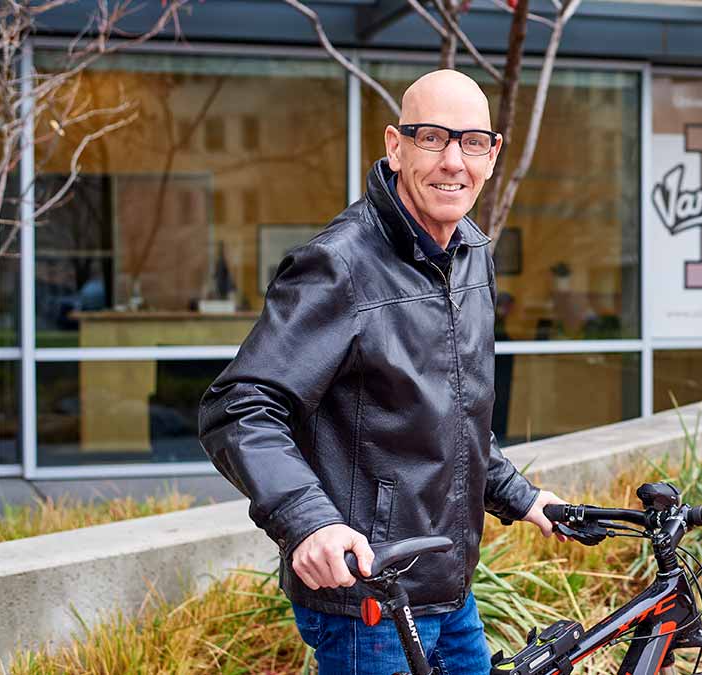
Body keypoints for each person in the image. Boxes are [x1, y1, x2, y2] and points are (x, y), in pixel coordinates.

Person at [198, 69, 565, 675]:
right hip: (367, 598)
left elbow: (451, 418)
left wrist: (524, 499)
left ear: (492, 155)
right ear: (396, 146)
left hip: (447, 585)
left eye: (471, 141)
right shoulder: (338, 264)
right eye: (432, 139)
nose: (453, 161)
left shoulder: (471, 254)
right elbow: (240, 407)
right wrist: (308, 523)